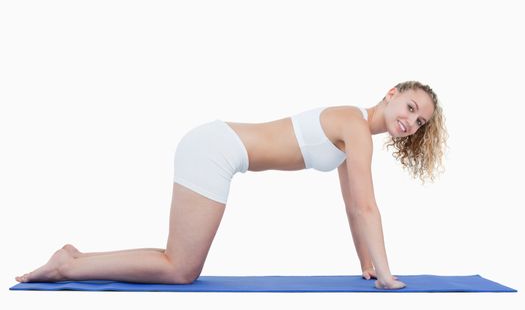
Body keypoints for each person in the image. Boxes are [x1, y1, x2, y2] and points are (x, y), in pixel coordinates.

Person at [16, 80, 447, 290]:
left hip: (215, 145)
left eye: (420, 121)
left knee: (177, 262)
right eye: (410, 107)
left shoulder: (353, 130)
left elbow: (355, 206)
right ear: (391, 94)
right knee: (181, 269)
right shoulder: (354, 125)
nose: (410, 122)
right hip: (215, 149)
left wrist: (367, 263)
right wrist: (387, 278)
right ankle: (66, 266)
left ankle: (75, 257)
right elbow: (370, 206)